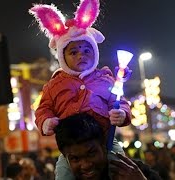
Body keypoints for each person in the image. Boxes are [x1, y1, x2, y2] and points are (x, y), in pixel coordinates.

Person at [29, 0, 131, 179]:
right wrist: (46, 121)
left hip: (106, 142)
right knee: (63, 174)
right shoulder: (54, 85)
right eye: (73, 52)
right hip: (72, 150)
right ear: (62, 56)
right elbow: (43, 109)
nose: (81, 55)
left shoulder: (106, 78)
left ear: (95, 52)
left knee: (121, 169)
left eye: (86, 50)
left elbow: (120, 102)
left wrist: (122, 114)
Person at [54, 113, 161, 180]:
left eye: (91, 153)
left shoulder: (136, 173)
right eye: (75, 159)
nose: (86, 165)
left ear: (104, 146)